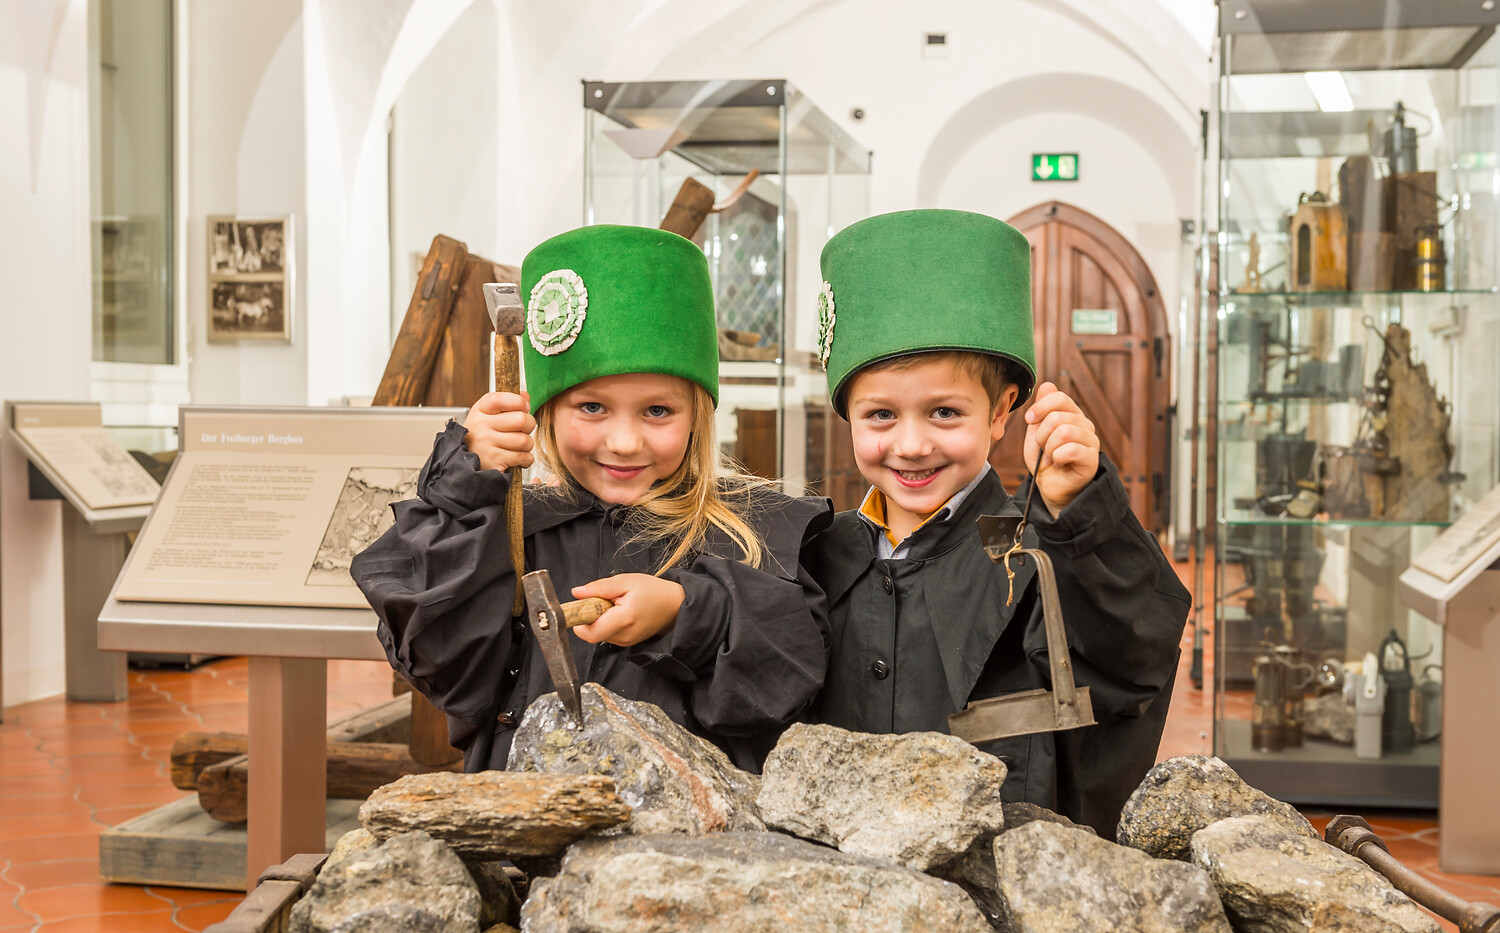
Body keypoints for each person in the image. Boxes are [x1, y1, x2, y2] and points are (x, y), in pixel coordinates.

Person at [352, 224, 832, 773]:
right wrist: (467, 484)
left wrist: (686, 614)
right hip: (530, 813)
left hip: (688, 822)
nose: (624, 442)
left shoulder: (753, 532)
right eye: (592, 407)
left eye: (657, 411)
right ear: (547, 412)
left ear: (697, 415)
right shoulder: (511, 529)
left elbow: (790, 672)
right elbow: (440, 658)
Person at [804, 209, 1189, 834]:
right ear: (847, 413)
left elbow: (1132, 661)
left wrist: (1080, 510)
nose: (911, 444)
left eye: (945, 413)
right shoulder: (817, 555)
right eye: (880, 415)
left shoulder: (1040, 554)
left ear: (1002, 410)